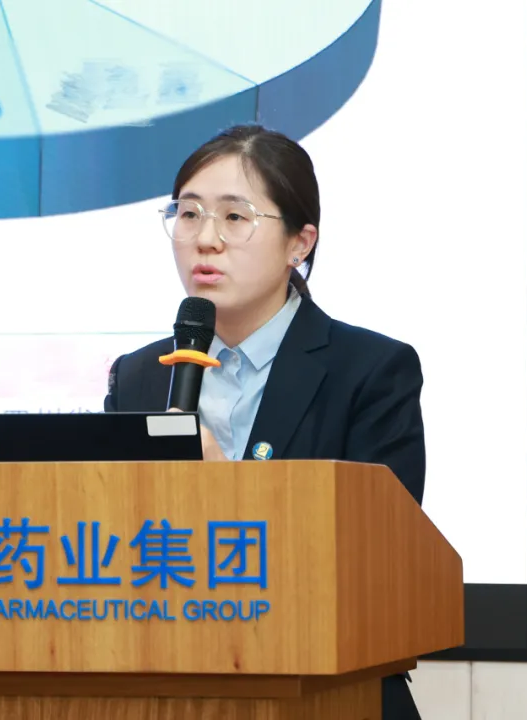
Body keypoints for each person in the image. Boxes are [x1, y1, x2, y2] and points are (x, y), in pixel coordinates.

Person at [102, 124, 425, 720]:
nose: (205, 240)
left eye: (235, 217)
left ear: (300, 242)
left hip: (329, 691)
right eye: (188, 214)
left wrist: (225, 487)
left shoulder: (372, 370)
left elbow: (380, 561)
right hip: (170, 688)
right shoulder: (140, 375)